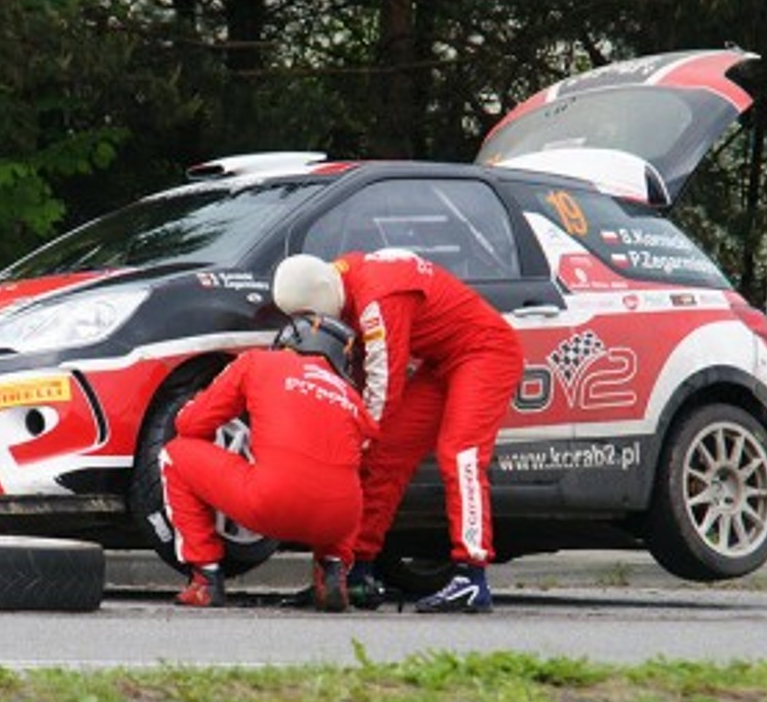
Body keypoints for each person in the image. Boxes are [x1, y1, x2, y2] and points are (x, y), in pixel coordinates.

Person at [272, 249, 523, 613]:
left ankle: (472, 575)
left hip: (487, 353)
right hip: (442, 360)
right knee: (385, 454)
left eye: (309, 315)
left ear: (321, 298)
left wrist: (356, 437)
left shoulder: (379, 299)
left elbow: (384, 384)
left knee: (461, 455)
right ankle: (355, 571)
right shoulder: (342, 277)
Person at [158, 312, 377, 610]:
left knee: (175, 454)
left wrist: (190, 405)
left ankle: (205, 580)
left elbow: (191, 425)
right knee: (344, 481)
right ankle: (332, 572)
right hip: (338, 521)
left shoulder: (258, 362)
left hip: (271, 502)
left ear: (290, 338)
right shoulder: (352, 398)